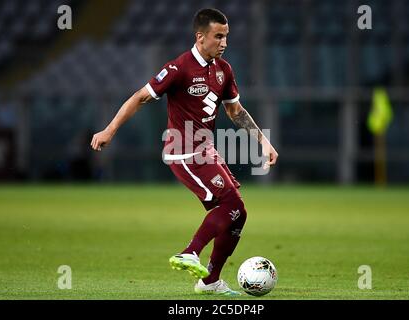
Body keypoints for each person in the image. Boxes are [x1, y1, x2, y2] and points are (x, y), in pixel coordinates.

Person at [90, 8, 278, 296]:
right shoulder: (179, 68)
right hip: (183, 150)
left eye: (226, 36)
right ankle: (190, 252)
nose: (224, 42)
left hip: (206, 150)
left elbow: (235, 110)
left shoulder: (223, 69)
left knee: (238, 214)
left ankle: (210, 281)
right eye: (218, 36)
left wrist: (263, 142)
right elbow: (140, 97)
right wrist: (109, 130)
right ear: (200, 37)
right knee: (232, 206)